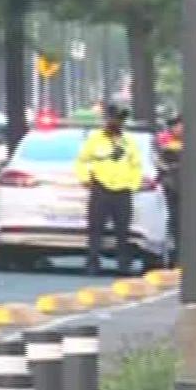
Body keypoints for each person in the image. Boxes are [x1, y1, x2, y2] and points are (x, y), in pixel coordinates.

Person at [74, 103, 143, 277]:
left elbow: (136, 166)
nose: (116, 123)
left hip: (123, 191)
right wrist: (85, 178)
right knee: (95, 229)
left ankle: (123, 264)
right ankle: (92, 262)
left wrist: (133, 184)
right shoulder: (95, 140)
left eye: (119, 120)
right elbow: (82, 160)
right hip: (101, 189)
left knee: (122, 230)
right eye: (113, 119)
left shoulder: (129, 142)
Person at [157, 115, 184, 255]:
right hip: (168, 186)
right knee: (170, 219)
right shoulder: (163, 139)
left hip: (182, 187)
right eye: (178, 126)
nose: (180, 129)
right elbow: (158, 161)